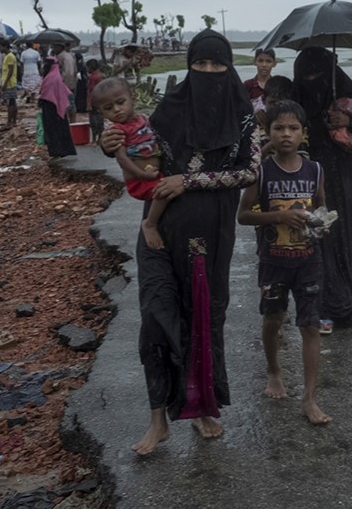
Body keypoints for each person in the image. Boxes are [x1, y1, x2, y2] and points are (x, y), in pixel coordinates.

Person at [99, 30, 260, 454]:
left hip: (211, 233)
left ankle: (203, 406)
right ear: (189, 65)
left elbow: (250, 172)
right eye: (200, 64)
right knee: (156, 316)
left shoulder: (243, 116)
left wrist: (189, 180)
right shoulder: (168, 109)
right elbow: (140, 148)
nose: (208, 72)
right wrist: (108, 144)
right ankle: (158, 419)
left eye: (217, 64)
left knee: (203, 318)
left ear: (229, 67)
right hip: (158, 230)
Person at [237, 100, 332, 426]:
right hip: (274, 261)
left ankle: (309, 397)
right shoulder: (260, 172)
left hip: (309, 260)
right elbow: (243, 215)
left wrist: (319, 224)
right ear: (269, 133)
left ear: (304, 134)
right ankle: (274, 371)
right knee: (273, 319)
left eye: (293, 128)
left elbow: (321, 209)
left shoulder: (315, 170)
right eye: (279, 128)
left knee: (310, 325)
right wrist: (280, 215)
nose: (286, 134)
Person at [293, 48, 352, 329]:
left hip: (346, 178)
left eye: (318, 75)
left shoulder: (346, 93)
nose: (312, 81)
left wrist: (349, 121)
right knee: (320, 238)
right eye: (306, 75)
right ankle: (328, 306)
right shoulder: (296, 98)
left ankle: (350, 300)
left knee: (348, 237)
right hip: (311, 176)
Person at [93, 76, 169, 251]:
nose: (117, 110)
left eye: (121, 102)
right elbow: (122, 159)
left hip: (152, 174)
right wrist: (141, 174)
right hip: (140, 180)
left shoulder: (144, 119)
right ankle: (150, 223)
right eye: (108, 108)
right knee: (164, 193)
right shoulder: (118, 131)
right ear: (102, 113)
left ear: (132, 97)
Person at [37, 57, 76, 158]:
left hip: (51, 107)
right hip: (55, 107)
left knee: (53, 130)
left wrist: (41, 99)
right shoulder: (54, 76)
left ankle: (57, 151)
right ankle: (61, 150)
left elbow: (47, 94)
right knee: (59, 129)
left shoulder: (52, 78)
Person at [0, 42, 19, 129]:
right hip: (10, 82)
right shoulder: (8, 56)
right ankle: (13, 121)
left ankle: (9, 122)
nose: (0, 49)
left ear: (5, 47)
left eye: (1, 46)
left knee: (10, 103)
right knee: (12, 102)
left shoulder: (10, 57)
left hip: (9, 83)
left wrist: (5, 83)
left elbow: (10, 71)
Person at [85, 59, 105, 141]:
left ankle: (94, 138)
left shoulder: (93, 77)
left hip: (94, 101)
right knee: (100, 119)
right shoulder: (101, 76)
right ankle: (100, 138)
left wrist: (88, 103)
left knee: (93, 120)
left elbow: (91, 91)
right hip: (101, 101)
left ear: (91, 67)